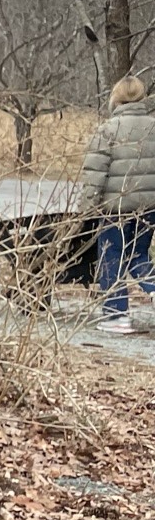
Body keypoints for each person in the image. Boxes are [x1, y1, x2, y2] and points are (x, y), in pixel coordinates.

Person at [81, 74, 155, 334]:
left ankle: (116, 316)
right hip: (149, 209)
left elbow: (94, 173)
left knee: (112, 255)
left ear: (117, 97)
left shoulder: (108, 130)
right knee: (138, 254)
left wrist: (86, 209)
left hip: (116, 209)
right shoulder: (153, 127)